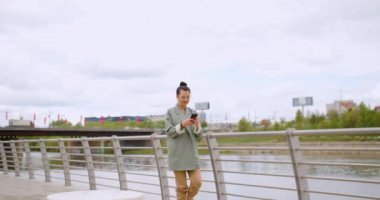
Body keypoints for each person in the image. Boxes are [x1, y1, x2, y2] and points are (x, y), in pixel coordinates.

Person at [165, 81, 204, 200]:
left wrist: (197, 126)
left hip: (192, 154)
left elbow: (200, 137)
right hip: (178, 155)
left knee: (197, 182)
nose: (186, 99)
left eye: (188, 97)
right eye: (183, 97)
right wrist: (182, 124)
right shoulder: (170, 112)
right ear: (177, 96)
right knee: (181, 188)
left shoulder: (192, 112)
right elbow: (170, 132)